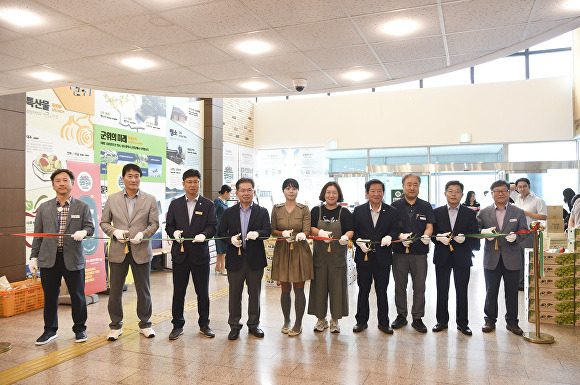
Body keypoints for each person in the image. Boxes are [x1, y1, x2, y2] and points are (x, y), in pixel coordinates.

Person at [30, 169, 94, 345]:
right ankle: (50, 330)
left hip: (73, 258)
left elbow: (90, 228)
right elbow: (38, 234)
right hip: (49, 259)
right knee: (50, 296)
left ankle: (80, 329)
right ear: (53, 185)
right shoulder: (44, 207)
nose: (61, 183)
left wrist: (84, 232)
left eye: (65, 180)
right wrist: (33, 257)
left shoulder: (82, 206)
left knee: (78, 296)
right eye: (57, 181)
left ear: (72, 184)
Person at [100, 163, 160, 341]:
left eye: (137, 176)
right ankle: (115, 325)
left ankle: (145, 324)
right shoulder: (113, 199)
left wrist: (144, 234)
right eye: (130, 176)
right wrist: (114, 232)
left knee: (144, 289)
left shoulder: (149, 199)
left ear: (140, 178)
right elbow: (104, 223)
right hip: (118, 250)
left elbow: (154, 224)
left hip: (141, 249)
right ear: (123, 178)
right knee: (115, 290)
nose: (134, 179)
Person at [166, 169, 217, 340]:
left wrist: (204, 235)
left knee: (202, 292)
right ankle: (177, 325)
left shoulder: (208, 204)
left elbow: (212, 226)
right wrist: (174, 233)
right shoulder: (175, 204)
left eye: (196, 181)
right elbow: (169, 226)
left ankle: (204, 324)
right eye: (189, 182)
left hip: (200, 255)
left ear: (200, 183)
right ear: (183, 184)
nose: (192, 185)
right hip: (180, 255)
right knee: (178, 292)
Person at [217, 178, 271, 340]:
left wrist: (258, 234)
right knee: (235, 294)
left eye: (249, 190)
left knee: (255, 294)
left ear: (254, 191)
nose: (246, 193)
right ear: (237, 193)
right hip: (235, 259)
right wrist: (231, 240)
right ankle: (234, 325)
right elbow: (221, 233)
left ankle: (254, 325)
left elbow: (267, 231)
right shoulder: (229, 212)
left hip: (255, 259)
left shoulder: (262, 211)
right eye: (243, 190)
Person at [477, 180, 528, 335]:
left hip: (512, 258)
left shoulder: (518, 212)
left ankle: (512, 322)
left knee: (512, 292)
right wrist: (484, 233)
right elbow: (476, 229)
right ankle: (490, 320)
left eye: (504, 191)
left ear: (509, 193)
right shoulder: (484, 212)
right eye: (497, 191)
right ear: (492, 194)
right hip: (491, 258)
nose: (500, 193)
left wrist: (517, 238)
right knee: (491, 291)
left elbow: (525, 231)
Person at [352, 179, 400, 334]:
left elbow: (394, 229)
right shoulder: (358, 211)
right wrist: (358, 241)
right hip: (364, 256)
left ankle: (384, 322)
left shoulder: (391, 211)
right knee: (363, 290)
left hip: (383, 257)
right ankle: (361, 321)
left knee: (382, 290)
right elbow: (354, 231)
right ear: (367, 193)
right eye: (372, 191)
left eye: (379, 190)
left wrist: (390, 237)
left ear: (383, 193)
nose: (376, 194)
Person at [432, 181, 479, 336]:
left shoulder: (470, 213)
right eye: (450, 191)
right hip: (442, 256)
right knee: (442, 290)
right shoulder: (437, 212)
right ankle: (441, 321)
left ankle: (463, 323)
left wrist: (465, 239)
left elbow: (475, 236)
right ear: (445, 193)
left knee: (462, 290)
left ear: (462, 195)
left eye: (457, 191)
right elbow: (432, 234)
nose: (453, 194)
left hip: (462, 257)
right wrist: (437, 238)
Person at [391, 173, 435, 333]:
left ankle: (417, 318)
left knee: (419, 287)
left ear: (419, 187)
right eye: (409, 184)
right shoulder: (394, 206)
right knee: (399, 286)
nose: (412, 187)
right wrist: (398, 237)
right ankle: (401, 316)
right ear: (403, 186)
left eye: (415, 184)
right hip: (399, 253)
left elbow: (429, 225)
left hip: (419, 253)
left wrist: (427, 235)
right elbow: (390, 228)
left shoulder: (426, 206)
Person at [308, 181, 354, 333]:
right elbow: (310, 228)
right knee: (319, 289)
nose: (331, 195)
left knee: (337, 289)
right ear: (324, 194)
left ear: (338, 195)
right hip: (320, 258)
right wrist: (319, 233)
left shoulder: (344, 212)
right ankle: (321, 320)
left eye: (334, 192)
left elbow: (350, 230)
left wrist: (345, 238)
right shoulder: (316, 210)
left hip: (337, 257)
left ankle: (335, 320)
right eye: (328, 192)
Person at [270, 178, 313, 337]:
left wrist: (302, 234)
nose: (291, 191)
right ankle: (287, 320)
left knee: (299, 287)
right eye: (288, 188)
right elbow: (272, 229)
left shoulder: (304, 209)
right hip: (282, 249)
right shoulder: (276, 209)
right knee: (285, 287)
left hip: (299, 250)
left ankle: (298, 323)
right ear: (283, 191)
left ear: (297, 191)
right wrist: (282, 234)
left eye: (294, 188)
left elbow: (307, 230)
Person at [513, 178, 547, 290]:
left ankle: (529, 283)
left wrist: (527, 213)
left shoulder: (537, 200)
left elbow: (544, 216)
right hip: (517, 233)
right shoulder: (516, 199)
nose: (522, 189)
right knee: (518, 258)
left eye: (524, 186)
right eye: (519, 187)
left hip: (530, 233)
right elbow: (506, 188)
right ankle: (520, 283)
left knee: (529, 258)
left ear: (529, 187)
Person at [214, 184, 231, 275]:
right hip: (218, 227)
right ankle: (222, 268)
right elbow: (213, 213)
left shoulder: (225, 201)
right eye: (229, 193)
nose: (230, 195)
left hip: (225, 227)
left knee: (222, 248)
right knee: (221, 248)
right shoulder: (217, 201)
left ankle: (217, 266)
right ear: (225, 192)